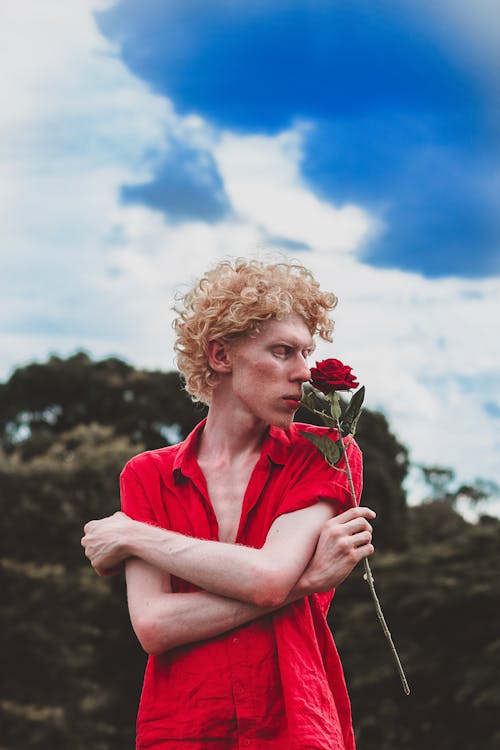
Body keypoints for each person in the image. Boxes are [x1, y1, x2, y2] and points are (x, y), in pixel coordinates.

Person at [81, 258, 375, 750]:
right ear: (220, 356)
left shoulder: (328, 454)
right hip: (181, 731)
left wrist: (133, 534)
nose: (304, 373)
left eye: (306, 352)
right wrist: (306, 582)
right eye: (282, 351)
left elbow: (267, 580)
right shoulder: (147, 475)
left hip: (294, 728)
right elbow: (154, 626)